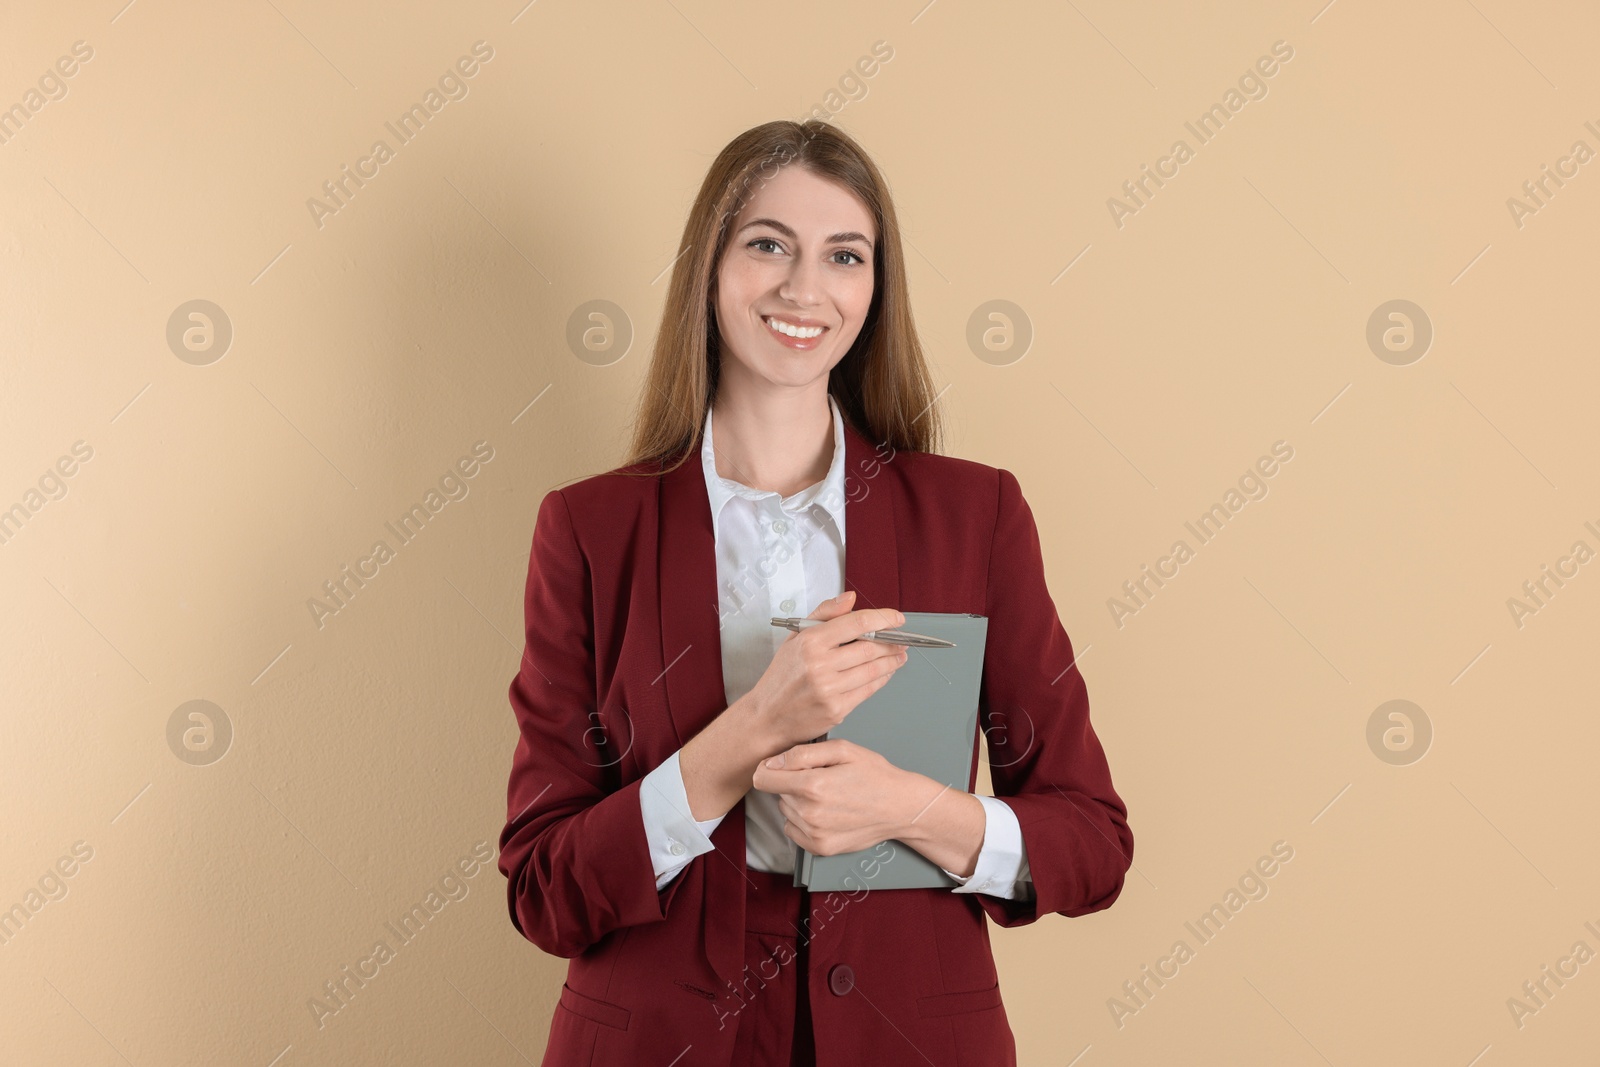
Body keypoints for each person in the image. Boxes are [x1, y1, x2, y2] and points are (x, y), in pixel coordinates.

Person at [497, 119, 1133, 1067]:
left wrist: (909, 810)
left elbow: (1091, 844)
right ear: (709, 270)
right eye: (767, 245)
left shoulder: (975, 515)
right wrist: (746, 733)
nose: (805, 289)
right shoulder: (590, 531)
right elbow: (544, 888)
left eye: (844, 255)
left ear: (874, 290)